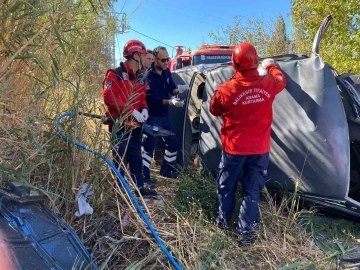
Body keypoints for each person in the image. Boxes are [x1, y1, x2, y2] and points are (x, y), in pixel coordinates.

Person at [209, 42, 287, 247]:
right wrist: (271, 66)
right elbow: (281, 80)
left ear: (234, 65)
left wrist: (222, 87)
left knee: (226, 188)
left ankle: (222, 226)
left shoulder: (226, 89)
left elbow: (214, 110)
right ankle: (246, 237)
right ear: (256, 61)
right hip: (260, 150)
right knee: (251, 192)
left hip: (233, 150)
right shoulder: (269, 83)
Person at [102, 39, 157, 197]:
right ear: (134, 55)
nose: (146, 58)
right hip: (119, 125)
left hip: (135, 126)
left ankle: (139, 189)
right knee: (120, 159)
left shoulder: (141, 78)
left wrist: (144, 109)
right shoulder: (115, 74)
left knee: (135, 157)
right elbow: (109, 98)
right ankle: (118, 193)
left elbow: (142, 99)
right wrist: (131, 111)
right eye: (142, 54)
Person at [142, 46, 189, 185]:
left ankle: (166, 170)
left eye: (167, 59)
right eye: (163, 60)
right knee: (149, 148)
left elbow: (171, 88)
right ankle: (145, 178)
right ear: (155, 60)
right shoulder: (148, 76)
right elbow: (152, 99)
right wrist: (170, 102)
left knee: (173, 143)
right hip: (152, 117)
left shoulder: (166, 72)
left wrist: (178, 90)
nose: (166, 62)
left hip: (164, 116)